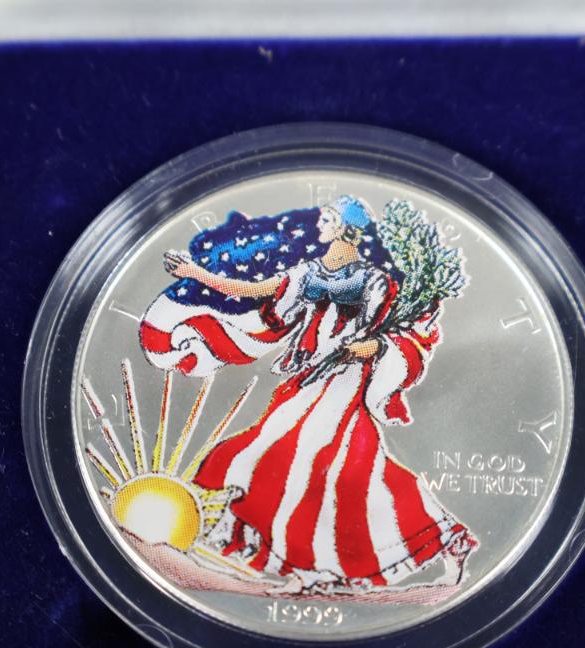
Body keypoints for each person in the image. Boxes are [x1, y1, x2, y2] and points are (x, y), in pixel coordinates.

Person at [161, 195, 474, 594]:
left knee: (314, 459)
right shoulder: (307, 273)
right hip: (311, 376)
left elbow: (405, 335)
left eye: (326, 220)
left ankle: (324, 565)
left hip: (346, 382)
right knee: (292, 460)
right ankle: (307, 566)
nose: (319, 226)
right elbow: (252, 290)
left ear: (343, 228)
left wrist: (374, 347)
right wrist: (194, 273)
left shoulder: (376, 282)